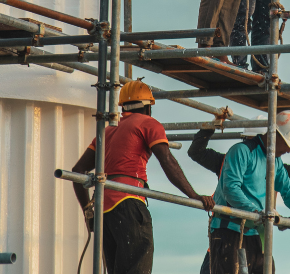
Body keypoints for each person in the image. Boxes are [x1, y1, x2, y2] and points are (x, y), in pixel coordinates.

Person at [71, 80, 215, 274]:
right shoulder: (148, 124)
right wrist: (193, 195)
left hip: (104, 210)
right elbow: (167, 160)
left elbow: (77, 171)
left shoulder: (106, 132)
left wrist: (88, 210)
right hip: (129, 202)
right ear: (148, 107)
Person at [207, 111, 290, 274]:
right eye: (288, 144)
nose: (288, 150)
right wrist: (256, 213)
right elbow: (231, 189)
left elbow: (288, 190)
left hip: (256, 234)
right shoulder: (241, 151)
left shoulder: (275, 161)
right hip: (229, 232)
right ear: (276, 135)